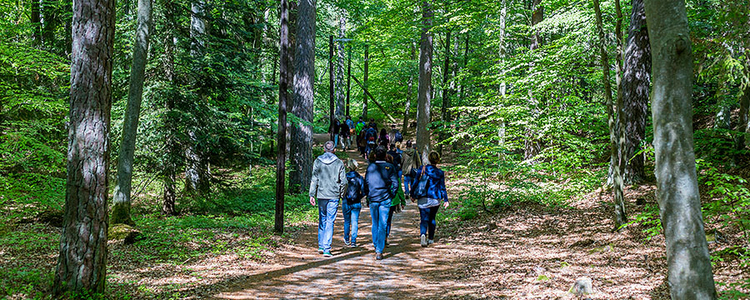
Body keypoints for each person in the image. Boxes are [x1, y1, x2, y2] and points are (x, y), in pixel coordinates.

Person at [309, 141, 347, 257]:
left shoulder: (317, 161)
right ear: (334, 150)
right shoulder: (339, 163)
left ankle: (321, 245)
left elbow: (314, 179)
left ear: (324, 149)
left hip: (321, 194)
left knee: (322, 219)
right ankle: (326, 248)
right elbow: (344, 182)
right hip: (333, 195)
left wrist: (312, 194)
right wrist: (341, 194)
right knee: (330, 221)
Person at [364, 146, 399, 260]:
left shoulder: (371, 167)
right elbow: (396, 183)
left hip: (375, 198)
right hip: (383, 199)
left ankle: (377, 246)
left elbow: (366, 183)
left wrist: (368, 195)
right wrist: (391, 195)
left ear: (375, 155)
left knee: (376, 223)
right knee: (382, 224)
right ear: (385, 155)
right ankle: (379, 249)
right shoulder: (390, 167)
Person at [410, 151, 449, 247]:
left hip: (423, 197)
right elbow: (442, 187)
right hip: (435, 198)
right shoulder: (440, 172)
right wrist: (446, 199)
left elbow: (415, 182)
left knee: (424, 219)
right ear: (438, 160)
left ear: (429, 159)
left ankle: (423, 234)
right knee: (432, 218)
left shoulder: (422, 169)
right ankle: (430, 238)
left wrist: (412, 194)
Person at [384, 153, 405, 246]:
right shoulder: (395, 174)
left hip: (382, 199)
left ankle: (381, 236)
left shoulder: (381, 173)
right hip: (393, 200)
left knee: (381, 219)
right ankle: (386, 236)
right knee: (388, 220)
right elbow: (399, 189)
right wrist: (402, 201)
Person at [343, 159, 364, 248]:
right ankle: (353, 241)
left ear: (348, 167)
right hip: (356, 202)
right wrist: (359, 197)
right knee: (354, 222)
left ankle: (346, 239)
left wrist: (342, 197)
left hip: (346, 201)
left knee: (347, 221)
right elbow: (363, 191)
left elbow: (341, 188)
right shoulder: (359, 177)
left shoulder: (345, 176)